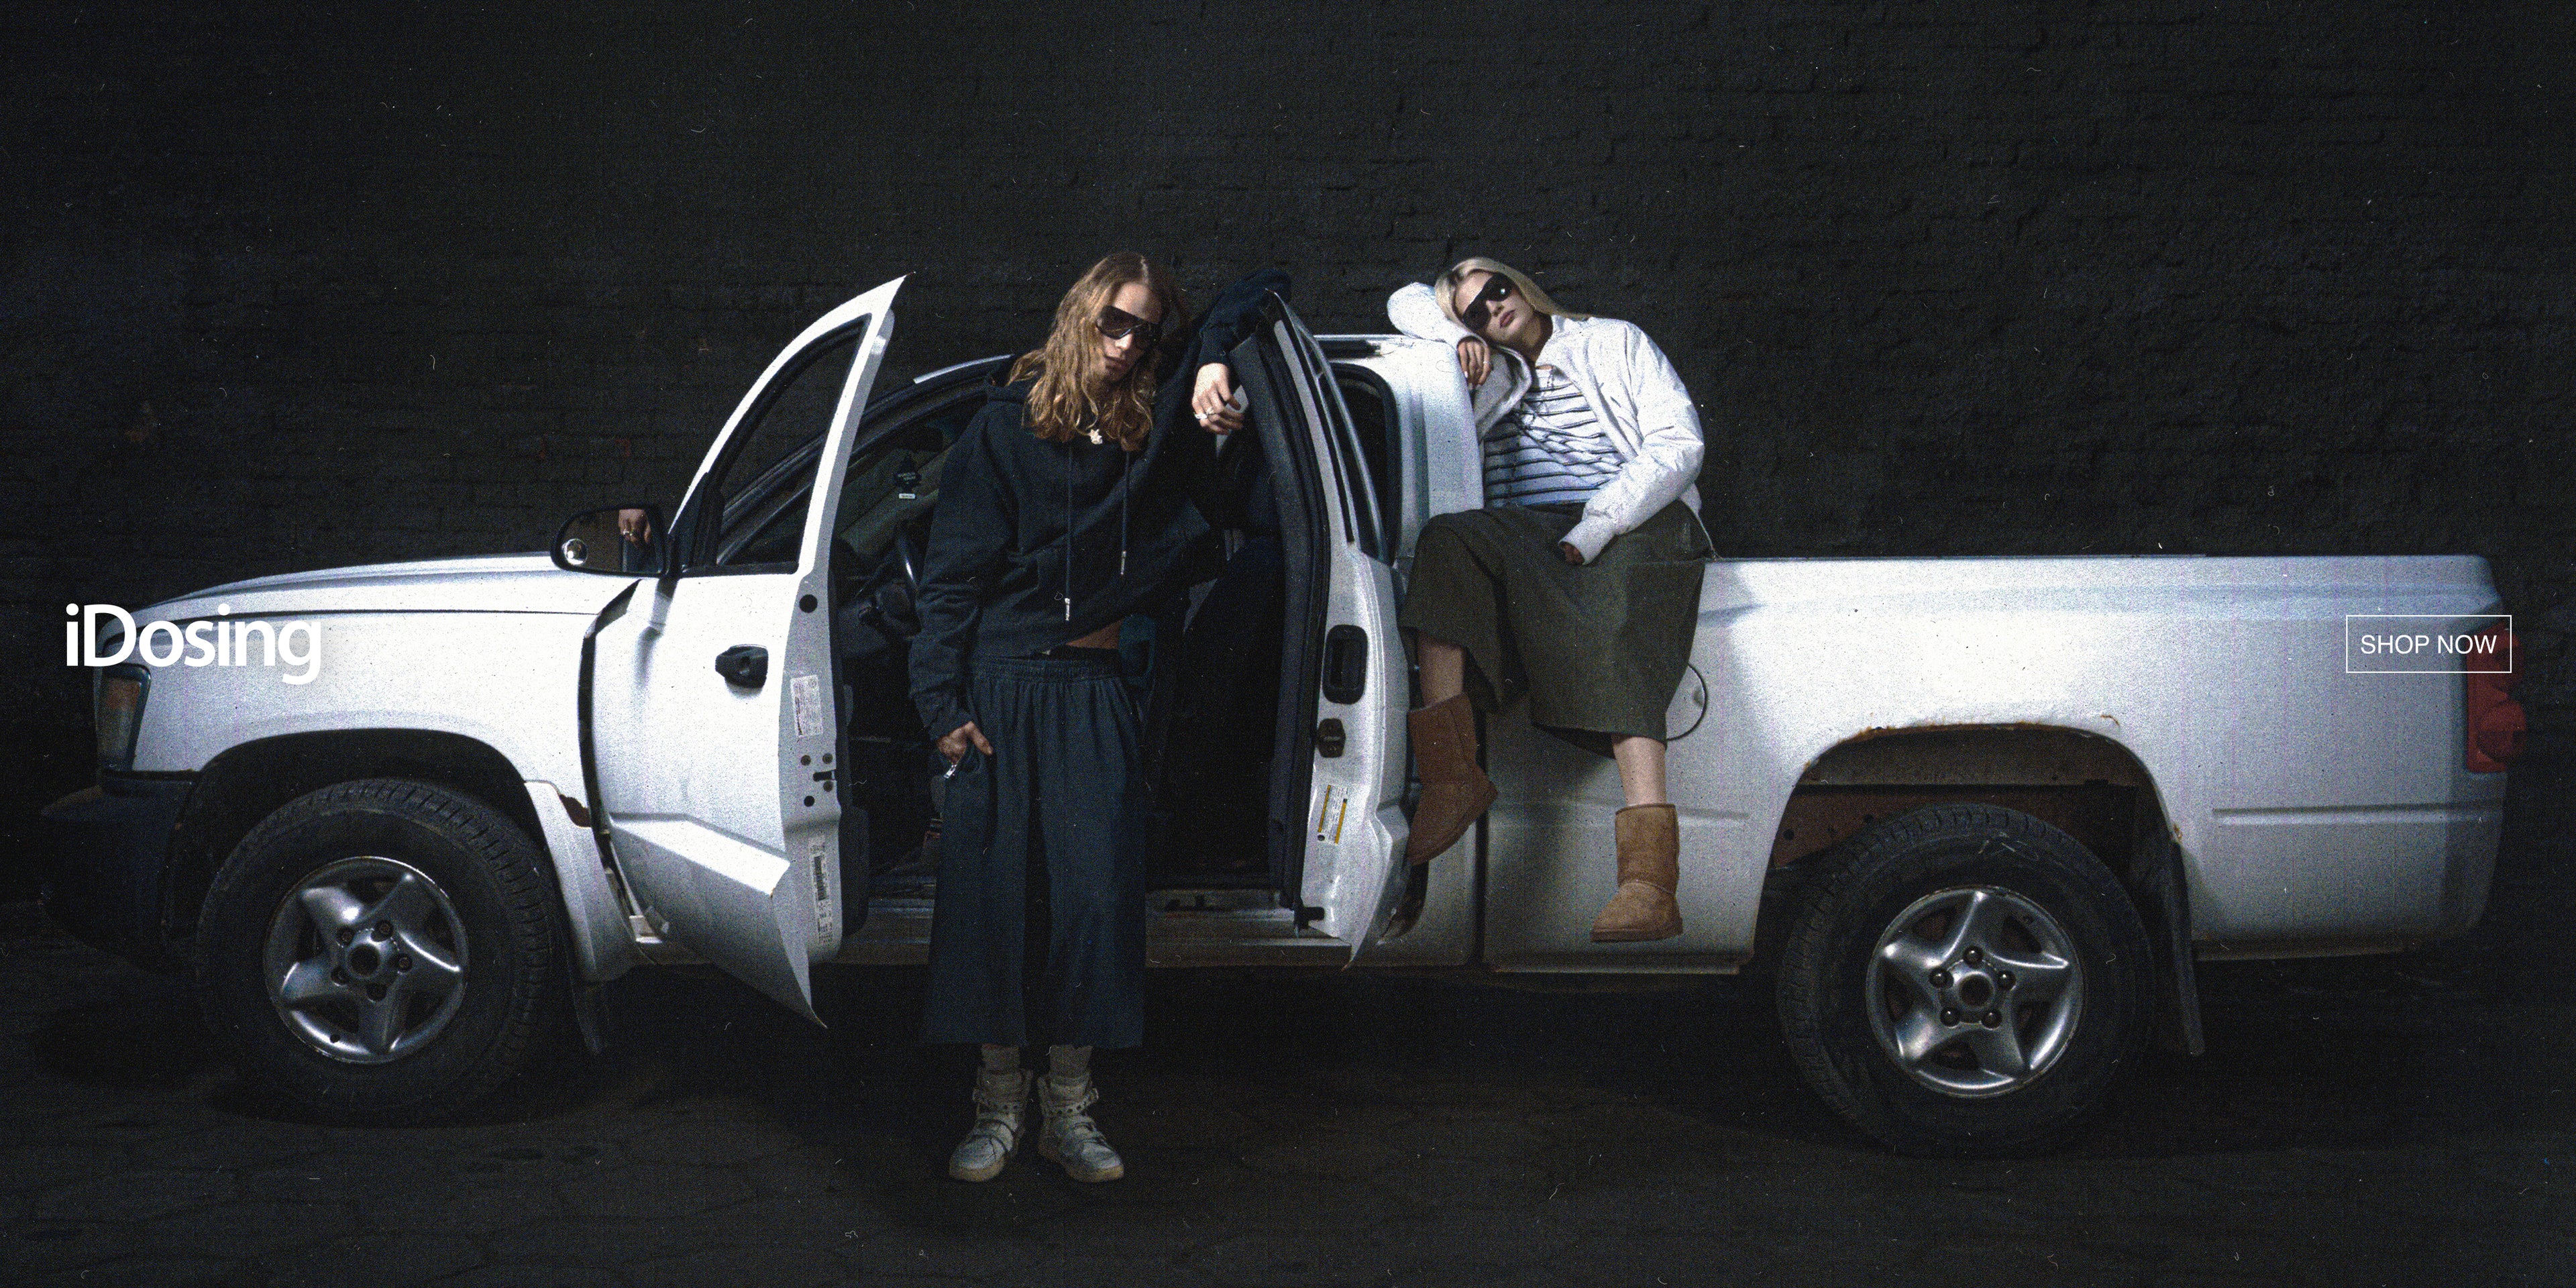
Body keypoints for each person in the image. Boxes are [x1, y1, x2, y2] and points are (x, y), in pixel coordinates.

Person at [909, 252, 1281, 1183]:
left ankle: (1069, 1108)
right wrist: (941, 702)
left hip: (1095, 686)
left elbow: (1262, 282)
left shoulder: (1153, 425)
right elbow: (950, 577)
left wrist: (1210, 358)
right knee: (995, 903)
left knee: (1096, 901)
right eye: (1113, 322)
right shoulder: (1004, 426)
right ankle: (998, 1104)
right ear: (1079, 314)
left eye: (1146, 332)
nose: (1125, 344)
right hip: (1000, 684)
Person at [1387, 258, 1713, 943]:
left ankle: (1649, 882)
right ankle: (1452, 777)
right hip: (1531, 533)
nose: (1492, 309)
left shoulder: (1612, 341)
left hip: (1633, 516)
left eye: (1497, 290)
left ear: (1521, 283)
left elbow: (1678, 443)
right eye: (1474, 311)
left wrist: (1596, 527)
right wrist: (1454, 336)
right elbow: (1402, 302)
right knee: (1445, 544)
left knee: (1614, 616)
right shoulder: (1486, 370)